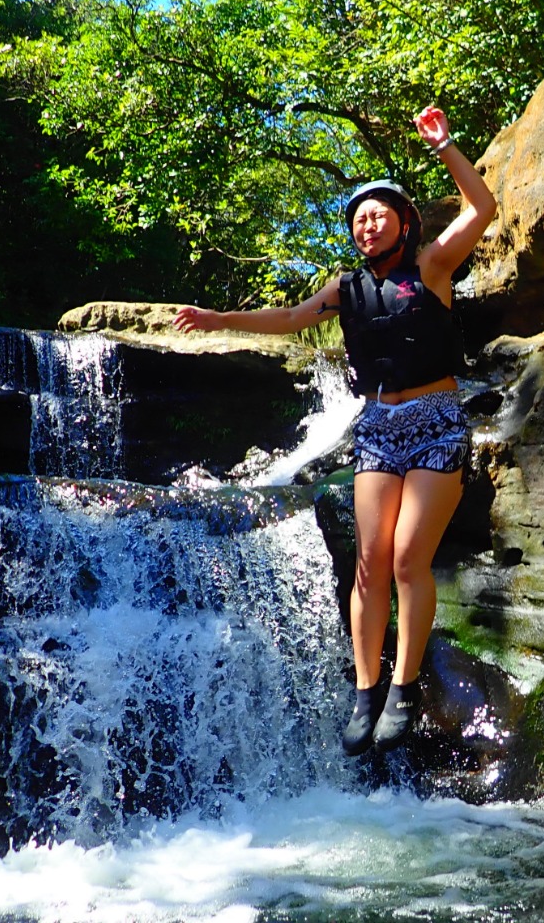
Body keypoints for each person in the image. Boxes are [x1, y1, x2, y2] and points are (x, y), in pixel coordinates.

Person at [173, 105, 498, 755]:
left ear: (403, 224)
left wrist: (446, 146)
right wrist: (215, 320)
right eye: (357, 219)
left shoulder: (432, 266)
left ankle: (404, 689)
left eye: (377, 215)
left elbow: (483, 208)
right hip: (378, 423)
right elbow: (290, 318)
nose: (366, 224)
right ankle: (365, 689)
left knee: (409, 559)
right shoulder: (345, 289)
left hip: (435, 421)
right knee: (371, 563)